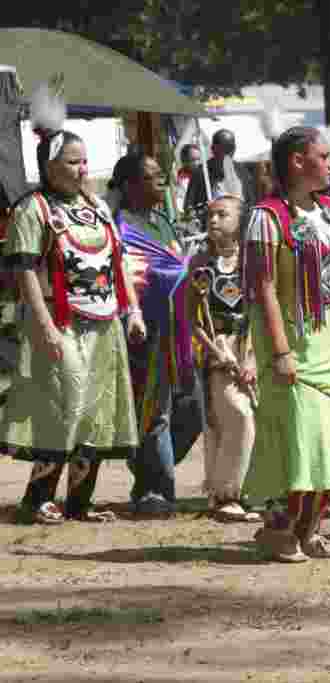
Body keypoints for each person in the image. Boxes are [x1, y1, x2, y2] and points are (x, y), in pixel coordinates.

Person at [2, 82, 144, 524]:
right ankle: (38, 497)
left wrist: (134, 309)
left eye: (85, 162)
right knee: (65, 403)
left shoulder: (98, 208)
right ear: (50, 165)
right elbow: (24, 269)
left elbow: (118, 262)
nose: (83, 170)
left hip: (105, 322)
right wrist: (43, 326)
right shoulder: (34, 209)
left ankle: (80, 502)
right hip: (59, 320)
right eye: (73, 162)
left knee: (98, 408)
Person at [244, 126, 330, 562]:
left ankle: (311, 532)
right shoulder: (266, 217)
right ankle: (280, 532)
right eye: (324, 155)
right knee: (301, 438)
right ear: (298, 162)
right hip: (294, 342)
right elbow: (263, 287)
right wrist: (281, 352)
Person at [115, 153, 205, 518]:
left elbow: (174, 266)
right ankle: (154, 490)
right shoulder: (120, 227)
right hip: (145, 332)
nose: (161, 183)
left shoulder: (165, 223)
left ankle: (145, 464)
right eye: (153, 178)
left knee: (192, 408)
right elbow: (129, 276)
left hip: (178, 330)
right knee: (156, 412)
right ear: (130, 185)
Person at [186, 195, 261, 523]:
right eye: (210, 215)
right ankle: (226, 494)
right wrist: (217, 351)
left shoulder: (253, 263)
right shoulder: (201, 265)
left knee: (254, 419)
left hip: (251, 346)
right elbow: (193, 319)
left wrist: (253, 358)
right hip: (218, 349)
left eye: (222, 215)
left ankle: (248, 491)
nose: (213, 221)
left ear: (240, 221)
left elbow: (260, 311)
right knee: (235, 415)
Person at [184, 129, 255, 210]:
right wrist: (203, 209)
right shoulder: (201, 173)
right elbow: (189, 207)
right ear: (213, 149)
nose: (227, 154)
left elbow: (251, 204)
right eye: (224, 149)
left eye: (230, 149)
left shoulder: (242, 172)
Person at [175, 143, 201, 214]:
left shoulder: (204, 175)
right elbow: (179, 201)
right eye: (193, 160)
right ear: (184, 160)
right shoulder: (179, 180)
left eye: (198, 159)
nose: (197, 163)